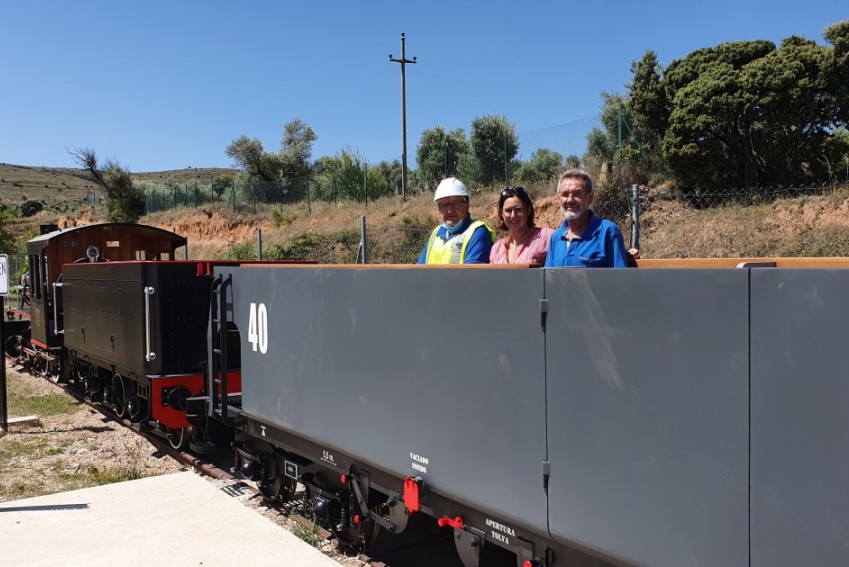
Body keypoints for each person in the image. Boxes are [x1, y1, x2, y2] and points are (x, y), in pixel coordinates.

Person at [544, 169, 630, 268]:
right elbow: (548, 278)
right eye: (565, 194)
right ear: (559, 198)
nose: (570, 200)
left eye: (577, 194)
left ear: (590, 197)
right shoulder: (556, 237)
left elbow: (620, 278)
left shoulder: (608, 232)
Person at [417, 177, 495, 264]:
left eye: (455, 204)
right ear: (439, 208)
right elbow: (419, 269)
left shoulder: (477, 232)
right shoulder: (436, 233)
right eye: (445, 205)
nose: (450, 210)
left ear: (467, 205)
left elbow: (472, 275)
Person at [489, 186, 553, 265]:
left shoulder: (547, 237)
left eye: (518, 210)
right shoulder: (497, 248)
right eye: (508, 210)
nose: (513, 215)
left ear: (528, 210)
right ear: (502, 214)